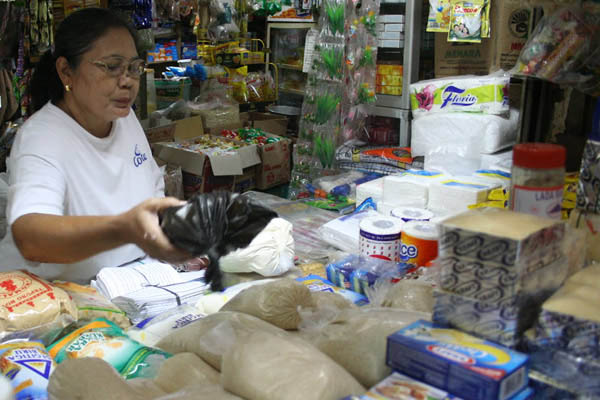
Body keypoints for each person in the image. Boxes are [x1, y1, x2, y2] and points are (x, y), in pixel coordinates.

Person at [1, 8, 191, 282]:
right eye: (111, 67)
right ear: (67, 72)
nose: (127, 81)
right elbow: (32, 238)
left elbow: (151, 192)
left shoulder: (124, 120)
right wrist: (124, 228)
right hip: (58, 297)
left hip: (128, 281)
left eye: (133, 68)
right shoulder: (42, 138)